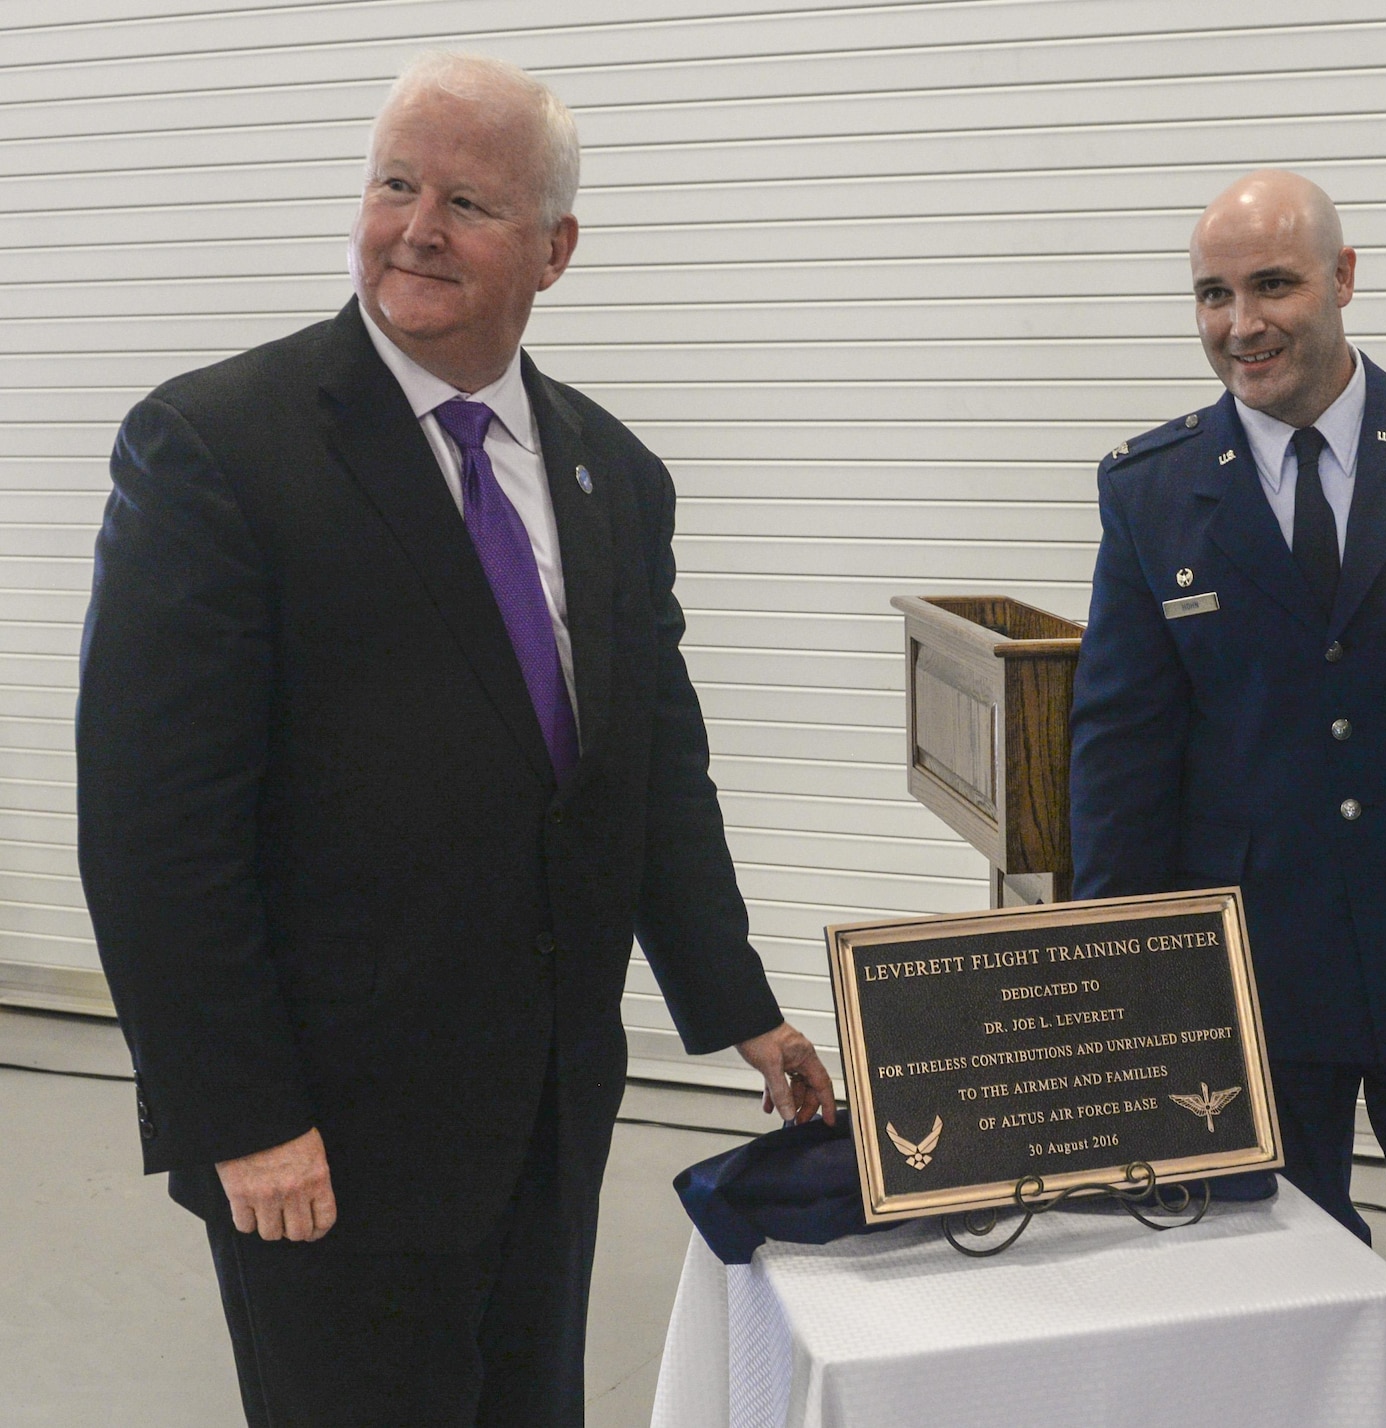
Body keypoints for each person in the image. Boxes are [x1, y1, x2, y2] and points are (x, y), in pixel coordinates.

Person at [74, 52, 833, 1427]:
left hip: (543, 1107)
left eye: (467, 202)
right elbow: (150, 830)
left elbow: (650, 765)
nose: (415, 227)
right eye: (393, 184)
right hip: (325, 1133)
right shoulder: (217, 451)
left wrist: (738, 1005)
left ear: (556, 249)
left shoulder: (613, 473)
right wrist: (238, 1113)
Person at [1070, 170, 1386, 1427]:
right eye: (1212, 295)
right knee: (1277, 1288)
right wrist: (1132, 991)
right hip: (1252, 984)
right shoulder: (1153, 488)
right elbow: (1118, 755)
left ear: (1342, 277)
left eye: (1271, 284)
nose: (1241, 323)